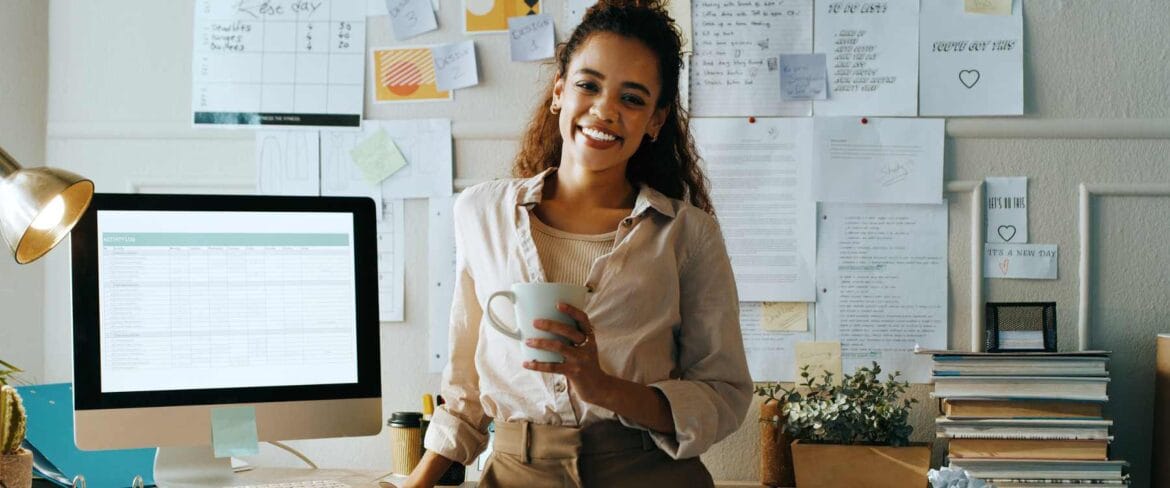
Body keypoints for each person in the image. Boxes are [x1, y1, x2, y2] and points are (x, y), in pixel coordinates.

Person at [405, 1, 751, 486]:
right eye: (589, 85)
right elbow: (465, 389)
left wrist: (602, 386)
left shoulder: (688, 234)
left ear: (655, 120)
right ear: (559, 92)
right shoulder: (482, 212)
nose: (605, 110)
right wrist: (418, 482)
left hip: (645, 471)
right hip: (514, 472)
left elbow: (723, 392)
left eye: (632, 99)